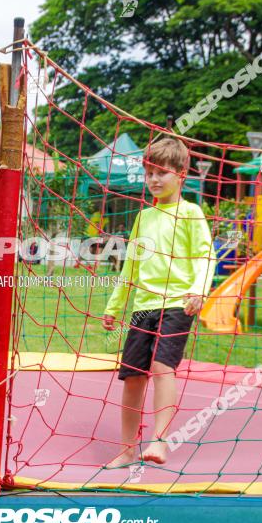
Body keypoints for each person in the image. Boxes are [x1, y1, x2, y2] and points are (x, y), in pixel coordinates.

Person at [102, 138, 216, 467]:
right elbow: (130, 267)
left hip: (178, 304)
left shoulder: (191, 213)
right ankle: (126, 449)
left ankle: (160, 441)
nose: (153, 179)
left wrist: (199, 290)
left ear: (181, 174)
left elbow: (205, 256)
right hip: (143, 307)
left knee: (162, 367)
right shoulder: (144, 217)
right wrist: (114, 306)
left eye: (161, 173)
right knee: (133, 376)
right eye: (149, 173)